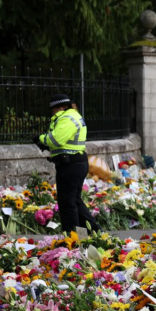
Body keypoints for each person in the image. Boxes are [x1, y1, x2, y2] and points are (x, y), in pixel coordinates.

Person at [32, 94, 99, 235]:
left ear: (61, 107)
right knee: (74, 201)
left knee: (67, 204)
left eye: (53, 109)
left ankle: (73, 237)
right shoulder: (72, 116)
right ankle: (92, 233)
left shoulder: (67, 118)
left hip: (70, 165)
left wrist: (40, 138)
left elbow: (56, 139)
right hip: (74, 163)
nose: (52, 112)